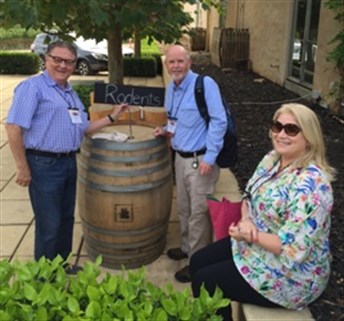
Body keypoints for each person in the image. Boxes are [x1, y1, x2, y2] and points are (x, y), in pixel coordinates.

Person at [190, 103, 335, 320]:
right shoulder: (272, 159)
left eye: (292, 129)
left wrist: (252, 235)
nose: (281, 134)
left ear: (309, 137)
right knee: (197, 261)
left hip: (293, 273)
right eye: (277, 126)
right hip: (256, 243)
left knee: (206, 281)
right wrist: (246, 220)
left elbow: (293, 250)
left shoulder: (313, 186)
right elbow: (248, 194)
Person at [5, 41, 128, 273]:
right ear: (46, 59)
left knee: (65, 220)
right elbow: (13, 127)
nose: (63, 65)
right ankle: (44, 278)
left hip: (69, 162)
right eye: (57, 60)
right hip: (43, 165)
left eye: (69, 61)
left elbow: (84, 128)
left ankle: (61, 266)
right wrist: (22, 167)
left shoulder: (69, 92)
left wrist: (113, 117)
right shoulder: (33, 88)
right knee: (48, 225)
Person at [153, 44, 227, 282]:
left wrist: (210, 156)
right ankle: (186, 247)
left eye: (180, 61)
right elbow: (175, 120)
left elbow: (219, 121)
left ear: (189, 62)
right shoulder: (171, 89)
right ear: (166, 65)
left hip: (200, 160)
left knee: (198, 213)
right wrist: (164, 130)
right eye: (171, 62)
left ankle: (196, 262)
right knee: (184, 207)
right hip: (180, 158)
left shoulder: (205, 85)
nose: (175, 66)